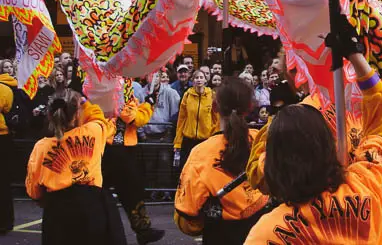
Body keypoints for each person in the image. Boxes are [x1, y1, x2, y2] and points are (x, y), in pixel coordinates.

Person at [244, 21, 382, 244]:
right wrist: (356, 56)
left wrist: (277, 124)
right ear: (327, 147)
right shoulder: (369, 187)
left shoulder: (267, 233)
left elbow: (258, 172)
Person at [25, 88, 127, 245]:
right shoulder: (93, 131)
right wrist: (85, 103)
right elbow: (100, 118)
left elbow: (34, 190)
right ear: (77, 113)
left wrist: (43, 200)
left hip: (58, 211)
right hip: (93, 207)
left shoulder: (42, 147)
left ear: (51, 115)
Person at [175, 78, 271, 244]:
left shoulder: (200, 153)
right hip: (265, 231)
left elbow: (187, 217)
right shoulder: (261, 142)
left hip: (220, 235)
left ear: (214, 107)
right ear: (250, 108)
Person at [103, 79, 165, 244]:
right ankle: (137, 230)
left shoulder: (122, 95)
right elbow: (133, 117)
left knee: (132, 192)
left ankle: (143, 229)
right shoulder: (116, 97)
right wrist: (148, 104)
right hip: (115, 150)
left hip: (123, 149)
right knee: (127, 191)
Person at [174, 69, 219, 168]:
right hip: (188, 140)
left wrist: (213, 137)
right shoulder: (187, 95)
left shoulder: (212, 95)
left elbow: (216, 119)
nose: (199, 80)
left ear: (205, 80)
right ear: (193, 80)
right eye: (196, 78)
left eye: (201, 77)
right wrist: (178, 143)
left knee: (203, 168)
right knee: (186, 168)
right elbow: (181, 120)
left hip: (205, 140)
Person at [0, 63, 17, 234]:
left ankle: (5, 221)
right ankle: (6, 221)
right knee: (3, 182)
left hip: (3, 137)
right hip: (4, 138)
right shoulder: (7, 89)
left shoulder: (4, 89)